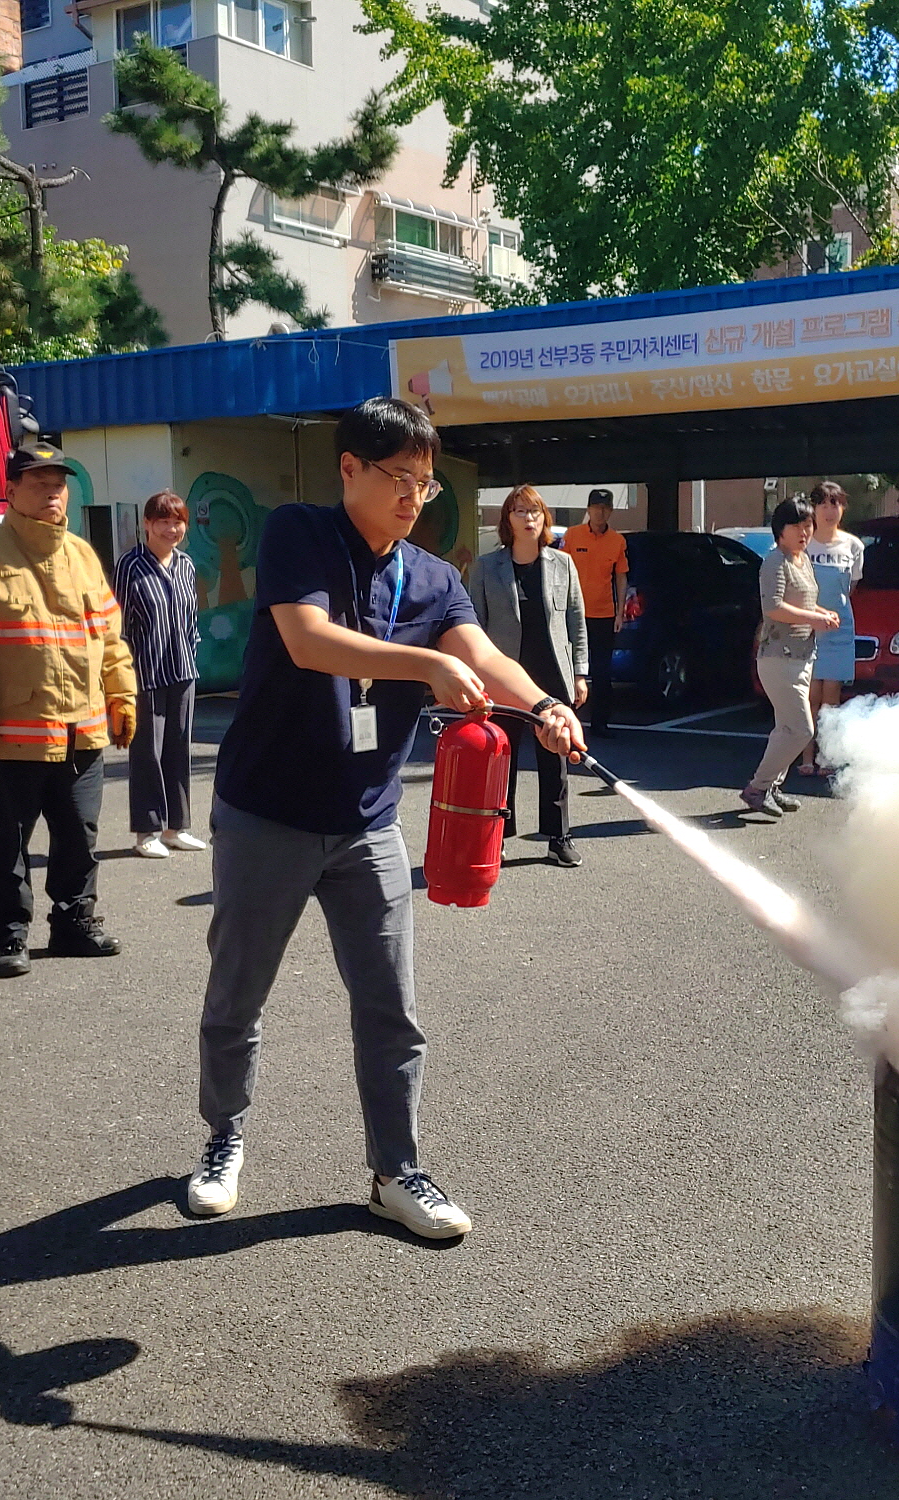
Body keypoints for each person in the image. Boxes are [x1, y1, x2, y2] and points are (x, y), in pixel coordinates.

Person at [189, 398, 585, 1240]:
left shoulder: (435, 577)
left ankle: (395, 1171)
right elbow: (310, 639)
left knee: (390, 1009)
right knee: (239, 994)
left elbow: (482, 657)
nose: (414, 496)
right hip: (266, 813)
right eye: (397, 478)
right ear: (349, 471)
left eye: (425, 481)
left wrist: (544, 704)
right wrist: (426, 664)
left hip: (368, 823)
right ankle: (224, 1136)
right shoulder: (299, 533)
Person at [0, 443, 138, 979]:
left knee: (79, 837)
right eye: (39, 482)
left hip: (83, 728)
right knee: (10, 843)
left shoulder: (83, 556)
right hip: (16, 731)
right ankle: (8, 935)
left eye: (59, 483)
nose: (52, 492)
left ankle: (74, 923)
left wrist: (122, 696)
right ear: (12, 490)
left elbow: (111, 639)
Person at [468, 486, 589, 868]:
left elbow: (576, 622)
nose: (529, 518)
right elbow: (473, 623)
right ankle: (499, 836)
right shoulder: (488, 567)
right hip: (504, 678)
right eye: (520, 511)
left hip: (553, 676)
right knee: (501, 758)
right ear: (507, 520)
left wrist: (581, 674)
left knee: (555, 758)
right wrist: (476, 678)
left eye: (535, 511)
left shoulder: (561, 564)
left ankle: (558, 836)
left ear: (545, 519)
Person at [114, 492, 206, 859]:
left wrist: (193, 650)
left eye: (178, 522)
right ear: (147, 524)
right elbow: (118, 624)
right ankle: (147, 830)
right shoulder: (130, 565)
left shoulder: (186, 565)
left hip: (182, 670)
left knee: (178, 749)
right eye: (163, 521)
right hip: (144, 673)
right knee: (147, 755)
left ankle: (175, 827)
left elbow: (191, 619)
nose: (171, 528)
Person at [741, 496, 839, 818]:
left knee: (785, 728)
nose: (804, 531)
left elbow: (804, 603)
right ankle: (757, 787)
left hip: (802, 655)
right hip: (778, 657)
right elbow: (773, 608)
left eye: (808, 525)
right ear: (779, 530)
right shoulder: (775, 562)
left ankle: (771, 787)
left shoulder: (802, 560)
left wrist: (823, 614)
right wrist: (814, 619)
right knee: (801, 729)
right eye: (796, 525)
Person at [798, 482, 863, 780]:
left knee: (831, 698)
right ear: (812, 509)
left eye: (835, 503)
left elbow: (851, 589)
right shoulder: (802, 543)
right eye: (822, 503)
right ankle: (806, 757)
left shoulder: (854, 546)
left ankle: (827, 756)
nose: (829, 510)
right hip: (806, 627)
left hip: (839, 628)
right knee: (810, 696)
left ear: (843, 508)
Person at [561, 489, 628, 734]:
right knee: (569, 670)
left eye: (605, 508)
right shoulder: (572, 535)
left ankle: (600, 723)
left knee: (602, 672)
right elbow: (559, 569)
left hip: (604, 614)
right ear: (588, 510)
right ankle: (567, 719)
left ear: (610, 511)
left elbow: (621, 577)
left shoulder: (617, 541)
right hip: (573, 613)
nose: (600, 513)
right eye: (596, 508)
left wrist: (620, 612)